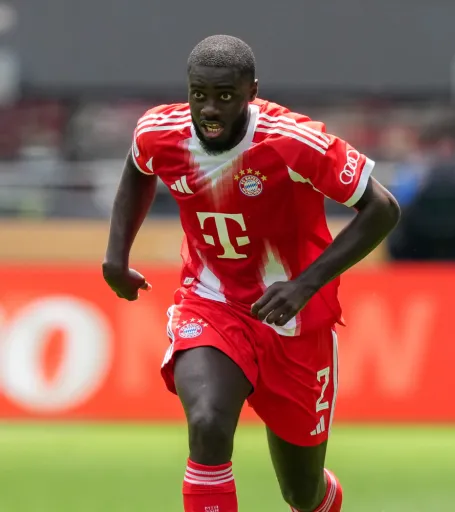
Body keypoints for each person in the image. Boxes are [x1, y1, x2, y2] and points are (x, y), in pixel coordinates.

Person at [101, 35, 400, 512]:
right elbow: (140, 165)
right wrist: (116, 255)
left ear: (251, 92)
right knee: (207, 423)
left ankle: (326, 498)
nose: (210, 109)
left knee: (301, 492)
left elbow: (382, 208)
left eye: (225, 96)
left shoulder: (292, 140)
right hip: (212, 302)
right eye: (200, 95)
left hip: (295, 320)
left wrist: (305, 284)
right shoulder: (160, 131)